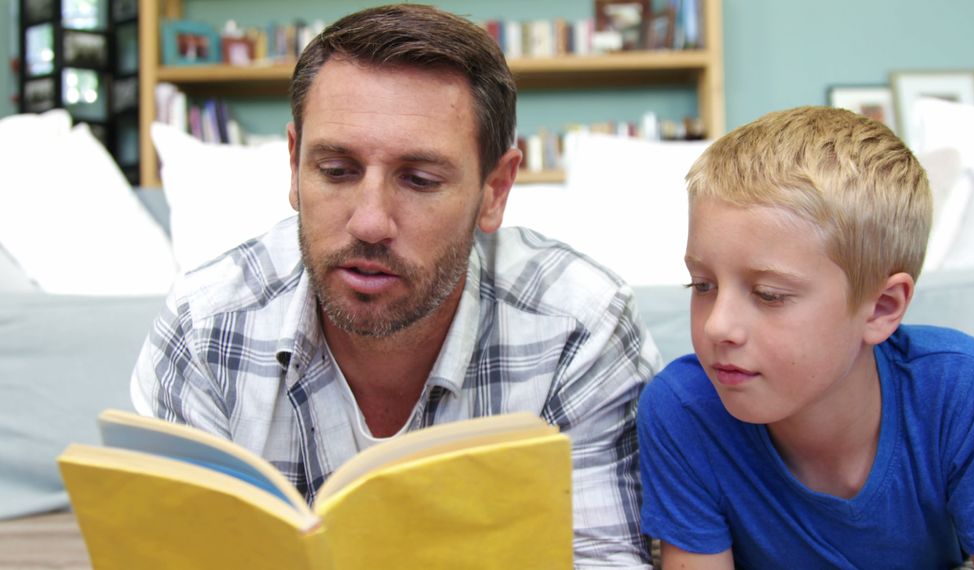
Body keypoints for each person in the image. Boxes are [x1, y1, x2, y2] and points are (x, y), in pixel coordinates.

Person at [131, 4, 662, 567]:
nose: (369, 222)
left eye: (419, 180)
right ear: (293, 166)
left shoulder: (580, 326)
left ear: (495, 191)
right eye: (336, 171)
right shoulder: (205, 327)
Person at [637, 106, 974, 569]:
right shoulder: (683, 409)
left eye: (769, 295)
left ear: (882, 308)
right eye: (702, 285)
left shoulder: (953, 381)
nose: (717, 325)